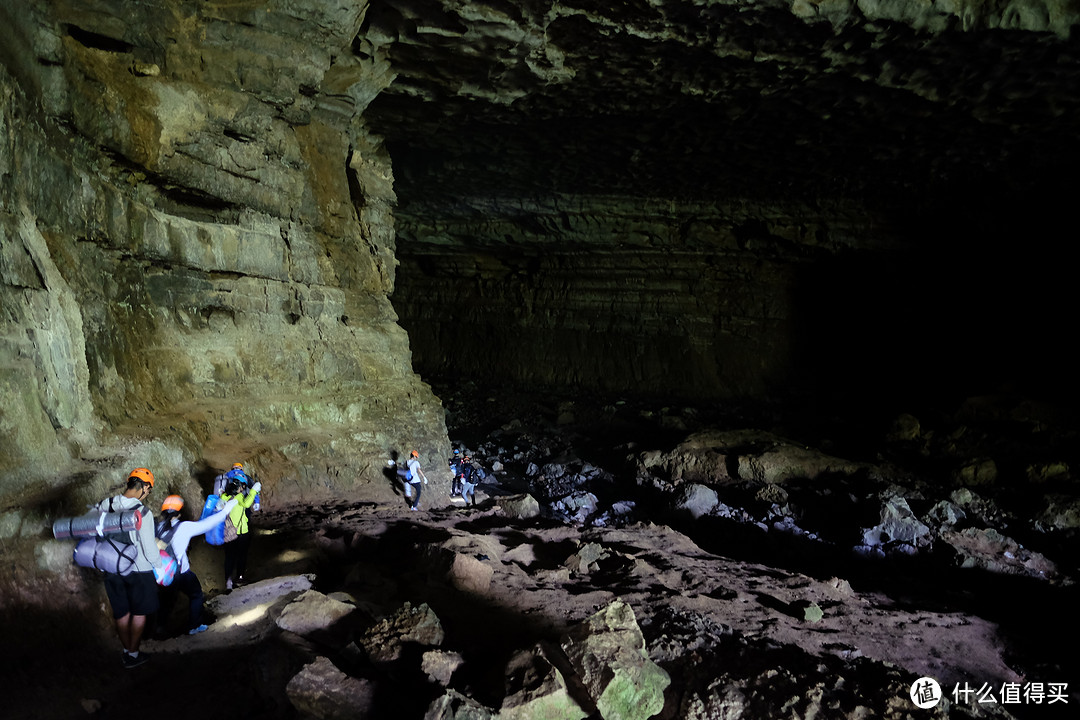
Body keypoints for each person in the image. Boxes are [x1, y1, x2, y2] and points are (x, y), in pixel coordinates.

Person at [94, 467, 163, 669]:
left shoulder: (105, 505)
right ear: (143, 487)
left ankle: (127, 650)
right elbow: (150, 549)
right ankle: (132, 654)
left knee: (121, 612)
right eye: (148, 490)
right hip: (139, 570)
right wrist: (159, 567)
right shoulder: (143, 513)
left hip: (112, 567)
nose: (147, 494)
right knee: (139, 612)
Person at [155, 493, 239, 636]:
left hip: (159, 574)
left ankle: (158, 630)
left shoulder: (158, 526)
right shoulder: (184, 527)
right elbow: (206, 525)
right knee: (196, 595)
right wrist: (224, 511)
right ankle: (194, 626)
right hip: (180, 573)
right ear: (180, 513)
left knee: (166, 602)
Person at [220, 477, 261, 589]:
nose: (242, 489)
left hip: (228, 532)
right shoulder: (238, 497)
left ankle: (228, 580)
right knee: (241, 555)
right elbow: (246, 504)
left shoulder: (224, 496)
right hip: (241, 532)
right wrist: (253, 491)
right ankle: (240, 578)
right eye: (241, 487)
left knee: (229, 556)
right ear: (237, 488)